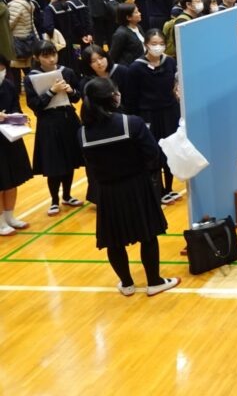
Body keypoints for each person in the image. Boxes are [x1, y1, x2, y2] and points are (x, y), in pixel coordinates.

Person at [78, 77, 178, 297]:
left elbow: (90, 164)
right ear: (113, 97)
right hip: (137, 186)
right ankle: (154, 281)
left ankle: (127, 284)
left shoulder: (83, 132)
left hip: (107, 192)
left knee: (114, 241)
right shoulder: (131, 123)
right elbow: (153, 155)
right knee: (147, 235)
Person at [25, 40, 83, 215]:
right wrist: (51, 91)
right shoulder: (31, 78)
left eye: (53, 54)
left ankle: (67, 195)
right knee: (54, 163)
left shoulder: (67, 72)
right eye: (46, 56)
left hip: (68, 120)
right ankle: (54, 201)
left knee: (69, 160)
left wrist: (71, 91)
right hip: (48, 123)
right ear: (36, 58)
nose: (51, 59)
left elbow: (77, 98)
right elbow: (34, 104)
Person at [127, 30, 181, 205]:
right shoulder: (136, 68)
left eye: (161, 44)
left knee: (170, 151)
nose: (158, 47)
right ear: (146, 45)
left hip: (169, 112)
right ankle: (158, 191)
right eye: (154, 44)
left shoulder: (170, 62)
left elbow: (176, 84)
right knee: (153, 152)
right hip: (148, 114)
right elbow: (131, 97)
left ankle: (169, 188)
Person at [0, 53, 32, 235]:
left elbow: (16, 108)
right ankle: (0, 222)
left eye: (2, 69)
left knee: (12, 180)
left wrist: (18, 117)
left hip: (10, 138)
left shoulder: (9, 86)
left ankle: (10, 216)